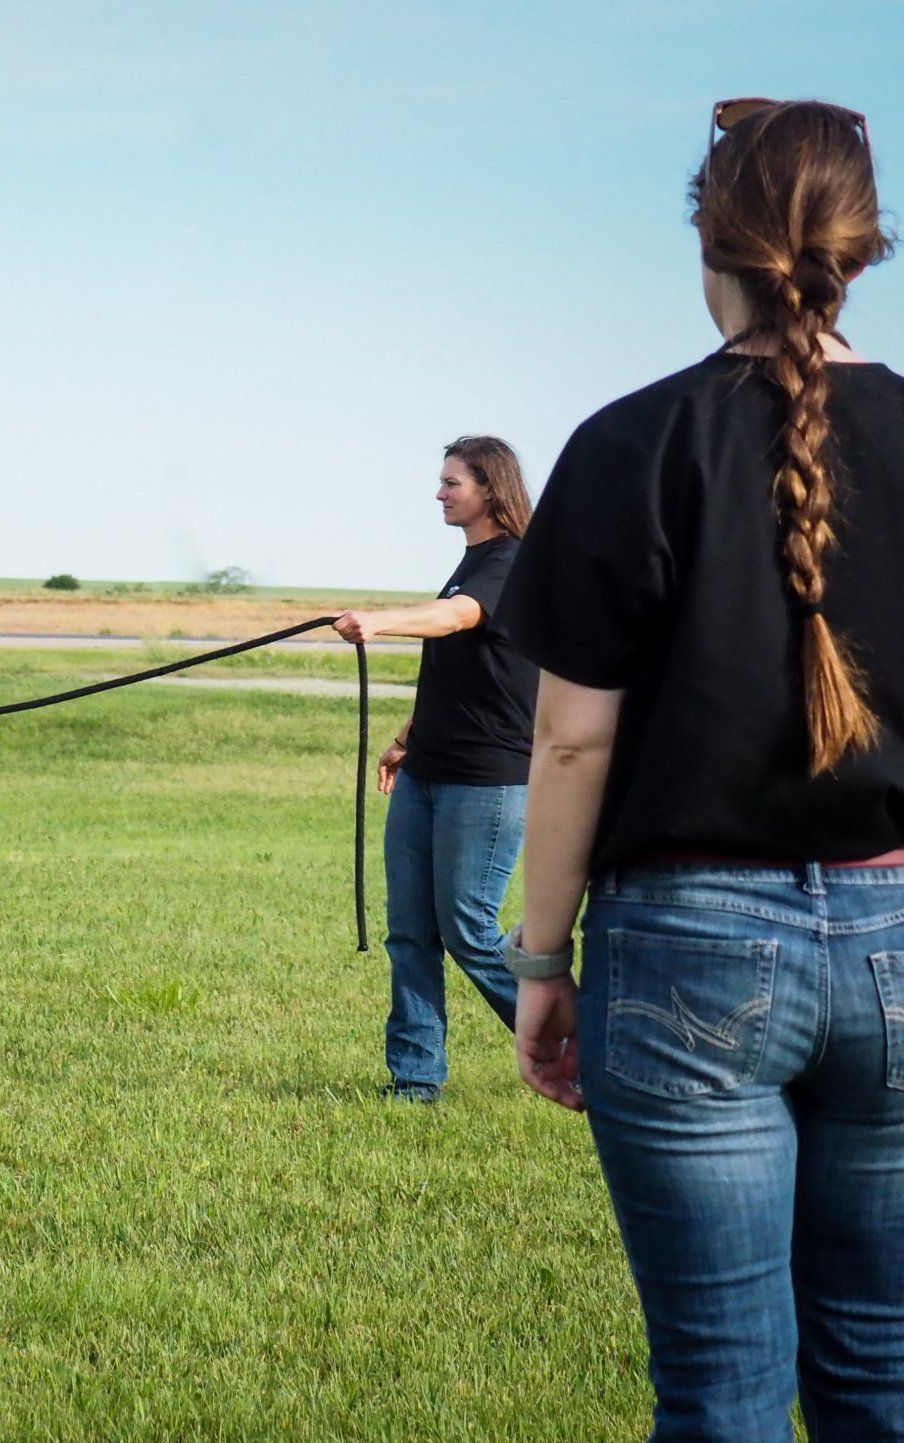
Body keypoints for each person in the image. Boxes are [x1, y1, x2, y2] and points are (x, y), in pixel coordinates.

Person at [497, 99, 903, 1440]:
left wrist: (540, 959)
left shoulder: (630, 442)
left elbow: (571, 738)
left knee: (723, 1388)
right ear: (863, 245)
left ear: (708, 239)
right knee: (883, 1372)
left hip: (685, 942)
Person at [332, 436, 537, 1102]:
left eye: (453, 483)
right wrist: (405, 739)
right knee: (411, 932)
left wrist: (380, 622)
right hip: (427, 773)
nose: (439, 493)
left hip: (488, 780)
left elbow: (456, 619)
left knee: (469, 930)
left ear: (490, 489)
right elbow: (464, 672)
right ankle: (415, 1079)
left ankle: (581, 1049)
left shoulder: (512, 561)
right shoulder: (472, 560)